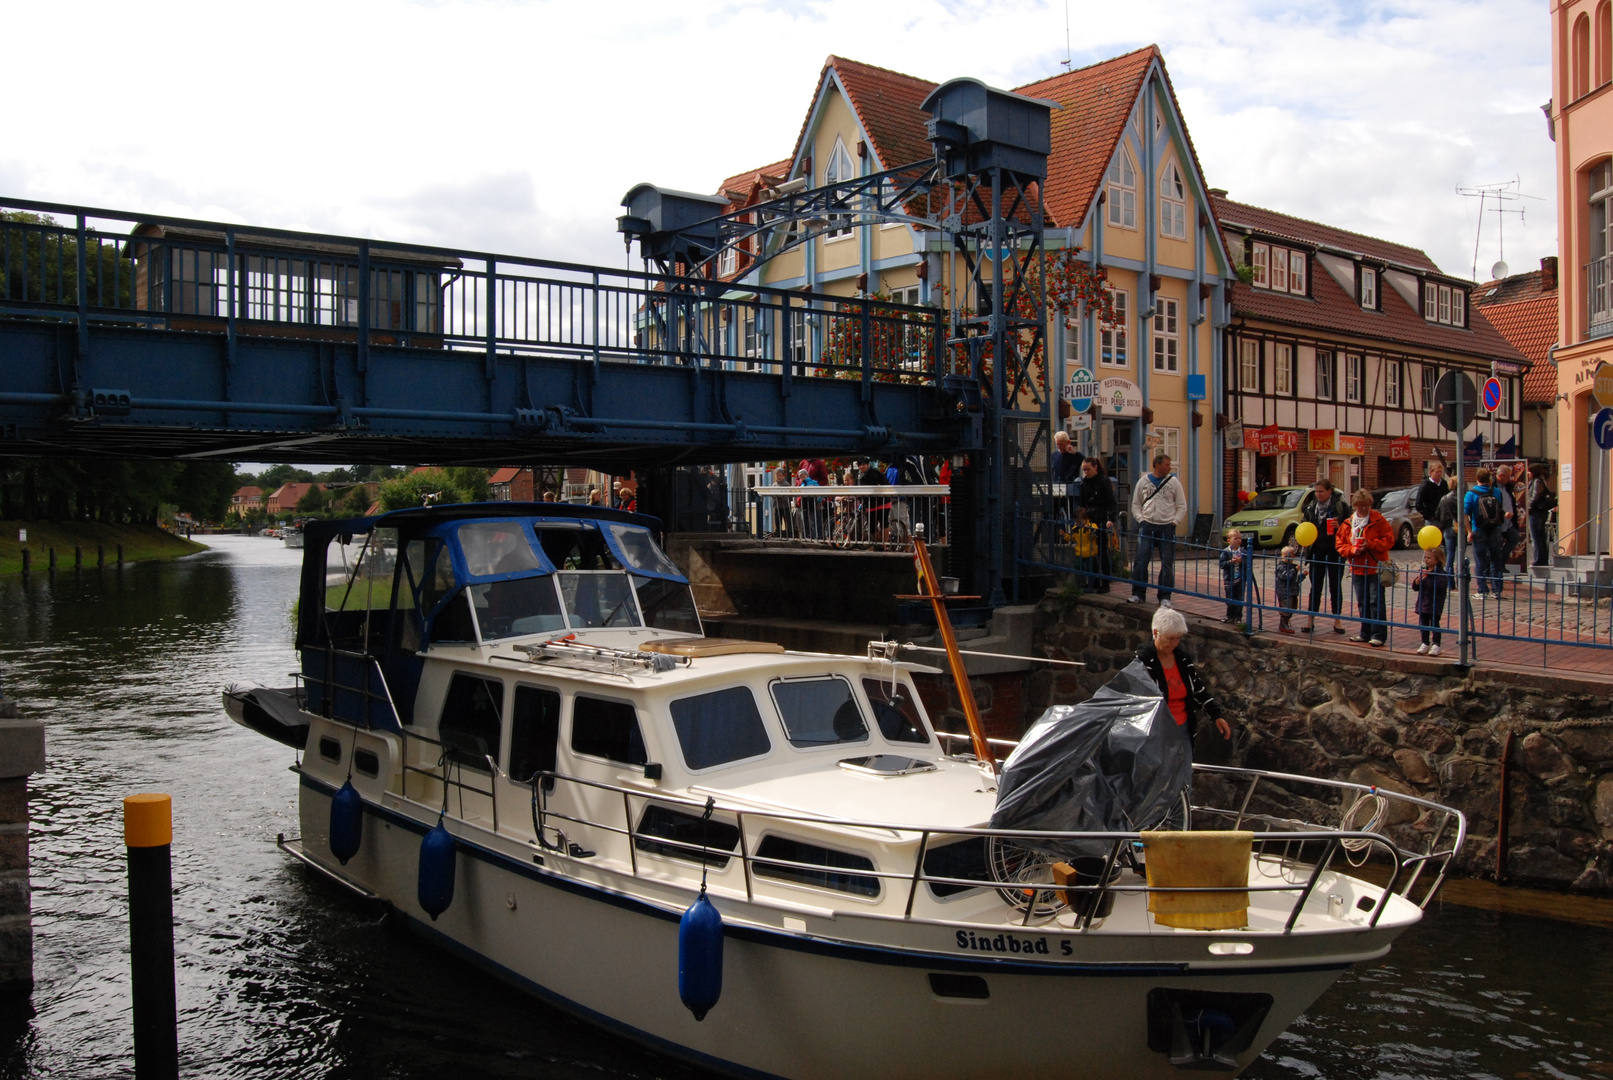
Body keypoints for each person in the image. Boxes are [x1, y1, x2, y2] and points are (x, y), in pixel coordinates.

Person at [1134, 606, 1233, 745]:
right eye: (1170, 639)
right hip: (1155, 732)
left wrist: (1216, 716)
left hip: (1183, 729)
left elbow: (1197, 690)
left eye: (1178, 639)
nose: (1174, 644)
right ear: (1156, 632)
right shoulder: (1142, 661)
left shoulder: (1183, 659)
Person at [1334, 488, 1393, 647]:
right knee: (1362, 601)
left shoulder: (1378, 520)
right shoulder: (1348, 523)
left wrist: (1370, 544)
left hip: (1375, 567)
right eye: (1360, 506)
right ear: (1355, 506)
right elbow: (1340, 544)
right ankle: (1365, 632)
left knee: (1376, 601)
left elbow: (1389, 540)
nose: (1363, 509)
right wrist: (1353, 550)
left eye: (1366, 505)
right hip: (1358, 566)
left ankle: (1378, 634)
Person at [1128, 454, 1188, 605]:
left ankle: (1165, 596)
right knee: (1141, 561)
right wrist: (1141, 520)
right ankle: (1138, 593)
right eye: (1166, 464)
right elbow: (1136, 503)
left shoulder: (1173, 482)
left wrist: (1174, 522)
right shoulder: (1143, 482)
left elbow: (1181, 505)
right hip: (1147, 524)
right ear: (1157, 465)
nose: (1169, 467)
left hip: (1166, 526)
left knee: (1167, 563)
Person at [1298, 478, 1349, 634]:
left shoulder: (1340, 506)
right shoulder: (1311, 507)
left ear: (1329, 491)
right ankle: (1310, 619)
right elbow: (1304, 526)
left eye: (1321, 491)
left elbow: (1351, 526)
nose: (1318, 495)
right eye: (1316, 492)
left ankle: (1337, 620)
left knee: (1335, 586)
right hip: (1316, 551)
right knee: (1316, 586)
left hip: (1335, 551)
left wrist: (1339, 526)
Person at [1464, 467, 1507, 600]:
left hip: (1479, 529)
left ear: (1477, 478)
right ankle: (1497, 589)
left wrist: (1469, 531)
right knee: (1496, 559)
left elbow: (1466, 515)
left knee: (1480, 560)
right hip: (1495, 529)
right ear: (1489, 479)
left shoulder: (1471, 494)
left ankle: (1482, 590)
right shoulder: (1496, 492)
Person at [1076, 456, 1117, 591]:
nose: (1086, 472)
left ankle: (1105, 582)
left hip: (1101, 519)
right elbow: (1082, 502)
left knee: (1101, 552)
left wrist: (1110, 518)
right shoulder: (1084, 483)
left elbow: (1111, 501)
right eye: (1084, 470)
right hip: (1089, 519)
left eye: (1088, 469)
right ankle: (1092, 581)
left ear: (1095, 467)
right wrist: (1081, 518)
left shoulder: (1103, 481)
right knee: (1089, 552)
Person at [1411, 545, 1451, 656]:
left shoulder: (1441, 573)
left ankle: (1436, 644)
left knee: (1434, 623)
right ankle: (1425, 642)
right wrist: (1417, 582)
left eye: (1429, 558)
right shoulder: (1423, 571)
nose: (1426, 560)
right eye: (1425, 558)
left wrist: (1425, 580)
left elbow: (1438, 586)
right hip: (1423, 602)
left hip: (1435, 603)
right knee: (1423, 623)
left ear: (1437, 560)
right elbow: (1415, 587)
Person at [1527, 463, 1556, 567]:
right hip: (1540, 512)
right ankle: (1542, 559)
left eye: (1529, 471)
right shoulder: (1540, 480)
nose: (1528, 473)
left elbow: (1535, 496)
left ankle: (1539, 560)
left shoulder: (1537, 481)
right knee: (1541, 537)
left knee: (1536, 537)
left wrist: (1529, 507)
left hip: (1536, 512)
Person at [1274, 543, 1306, 635]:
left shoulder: (1292, 566)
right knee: (1286, 608)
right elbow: (1286, 576)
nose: (1292, 557)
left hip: (1293, 591)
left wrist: (1302, 575)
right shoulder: (1281, 567)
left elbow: (1295, 579)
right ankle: (1283, 624)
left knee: (1292, 607)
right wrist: (1295, 570)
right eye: (1286, 556)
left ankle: (1286, 622)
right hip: (1284, 592)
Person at [1051, 429, 1083, 520]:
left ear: (1068, 442)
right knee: (1054, 515)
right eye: (1057, 444)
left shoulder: (1075, 456)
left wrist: (1075, 453)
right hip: (1056, 487)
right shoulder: (1054, 455)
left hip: (1070, 488)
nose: (1059, 446)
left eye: (1061, 444)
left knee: (1072, 515)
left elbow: (1085, 461)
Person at [1218, 529, 1249, 624]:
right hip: (1229, 580)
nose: (1239, 540)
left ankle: (1238, 617)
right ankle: (1230, 616)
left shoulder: (1243, 551)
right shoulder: (1226, 552)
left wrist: (1241, 561)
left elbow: (1248, 562)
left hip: (1240, 579)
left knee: (1240, 598)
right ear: (1229, 540)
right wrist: (1230, 562)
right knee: (1230, 598)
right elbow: (1222, 564)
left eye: (1240, 538)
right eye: (1236, 538)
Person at [1414, 461, 1447, 530]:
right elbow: (1418, 504)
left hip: (1444, 518)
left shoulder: (1444, 483)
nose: (1439, 474)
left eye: (1440, 472)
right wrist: (1428, 516)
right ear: (1431, 472)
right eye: (1437, 472)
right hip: (1432, 519)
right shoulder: (1425, 485)